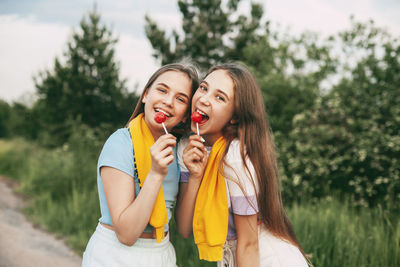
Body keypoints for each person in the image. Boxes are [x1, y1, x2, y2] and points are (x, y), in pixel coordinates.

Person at [175, 63, 311, 267]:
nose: (204, 99)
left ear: (234, 117)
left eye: (219, 97)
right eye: (203, 88)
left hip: (266, 258)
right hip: (231, 258)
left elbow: (248, 243)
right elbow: (184, 229)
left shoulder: (235, 156)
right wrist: (195, 176)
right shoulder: (187, 146)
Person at [82, 63, 199, 267]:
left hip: (162, 253)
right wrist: (155, 174)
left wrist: (195, 176)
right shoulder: (120, 143)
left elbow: (184, 229)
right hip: (114, 256)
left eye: (180, 99)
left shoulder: (180, 151)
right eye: (162, 90)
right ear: (146, 94)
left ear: (186, 115)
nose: (168, 101)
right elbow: (126, 234)